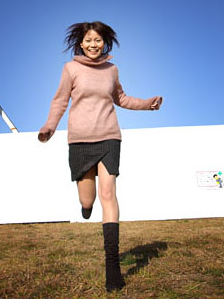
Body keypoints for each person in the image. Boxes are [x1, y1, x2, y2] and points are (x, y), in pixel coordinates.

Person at [38, 21, 163, 292]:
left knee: (108, 193)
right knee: (88, 199)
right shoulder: (71, 69)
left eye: (98, 40)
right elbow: (60, 101)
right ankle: (86, 207)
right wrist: (49, 126)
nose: (93, 44)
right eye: (89, 40)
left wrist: (147, 104)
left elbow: (121, 98)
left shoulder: (111, 69)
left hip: (109, 137)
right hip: (81, 140)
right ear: (81, 44)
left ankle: (112, 267)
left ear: (104, 43)